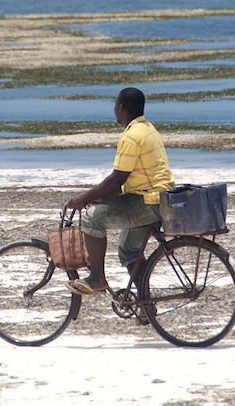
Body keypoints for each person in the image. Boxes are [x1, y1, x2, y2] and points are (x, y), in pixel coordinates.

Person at [65, 87, 175, 296]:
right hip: (160, 198)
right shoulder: (148, 128)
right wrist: (101, 196)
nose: (114, 109)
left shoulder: (132, 136)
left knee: (91, 219)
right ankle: (145, 305)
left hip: (149, 202)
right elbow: (132, 179)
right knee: (129, 251)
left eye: (115, 105)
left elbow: (117, 179)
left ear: (122, 108)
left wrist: (84, 198)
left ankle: (97, 278)